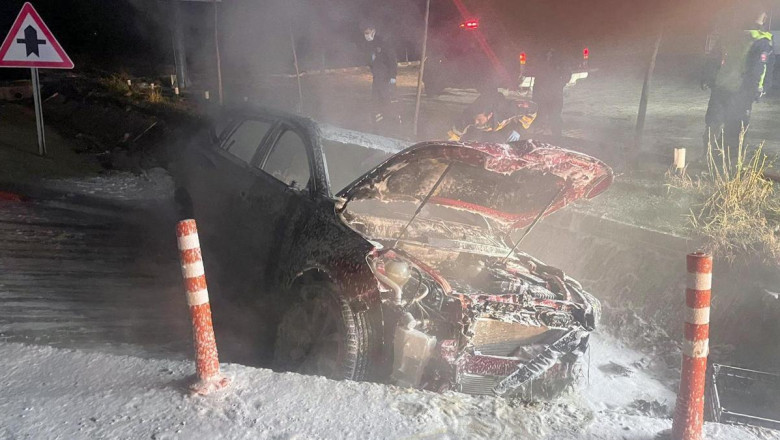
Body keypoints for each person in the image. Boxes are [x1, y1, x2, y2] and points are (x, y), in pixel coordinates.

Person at [701, 11, 775, 155]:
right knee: (735, 128)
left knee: (713, 123)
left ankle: (707, 156)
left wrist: (707, 78)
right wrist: (759, 89)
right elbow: (760, 67)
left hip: (721, 86)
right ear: (764, 19)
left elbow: (713, 58)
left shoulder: (729, 35)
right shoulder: (762, 40)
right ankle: (729, 161)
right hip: (742, 92)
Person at [447, 91, 536, 143]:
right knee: (473, 140)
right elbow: (453, 136)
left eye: (479, 120)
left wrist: (518, 130)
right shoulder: (468, 118)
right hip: (481, 133)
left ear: (489, 115)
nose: (476, 122)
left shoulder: (508, 109)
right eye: (475, 119)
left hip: (502, 130)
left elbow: (533, 109)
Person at [361, 21, 399, 126]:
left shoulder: (383, 43)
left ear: (373, 31)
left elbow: (392, 60)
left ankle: (392, 121)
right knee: (376, 100)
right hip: (377, 77)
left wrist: (393, 76)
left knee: (387, 99)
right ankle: (378, 122)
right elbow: (370, 60)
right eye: (365, 33)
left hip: (386, 78)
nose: (366, 35)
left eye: (368, 32)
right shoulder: (369, 45)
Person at [532, 47, 571, 137]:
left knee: (554, 115)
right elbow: (534, 72)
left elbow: (567, 74)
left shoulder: (560, 58)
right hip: (541, 93)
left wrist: (560, 84)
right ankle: (539, 137)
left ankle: (557, 137)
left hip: (554, 93)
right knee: (540, 115)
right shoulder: (540, 56)